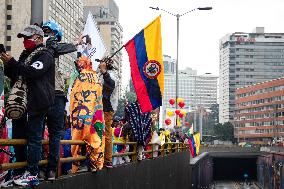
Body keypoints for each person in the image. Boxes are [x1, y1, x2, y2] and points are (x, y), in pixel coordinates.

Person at [0, 25, 55, 186]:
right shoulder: (25, 55)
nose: (24, 41)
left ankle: (32, 173)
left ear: (38, 38)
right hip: (21, 103)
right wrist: (9, 64)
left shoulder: (45, 54)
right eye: (23, 38)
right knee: (18, 137)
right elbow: (18, 74)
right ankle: (18, 172)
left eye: (27, 38)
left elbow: (32, 72)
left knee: (34, 138)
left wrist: (14, 63)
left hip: (38, 102)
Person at [39, 21, 79, 180]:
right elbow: (57, 47)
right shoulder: (49, 44)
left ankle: (46, 169)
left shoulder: (41, 46)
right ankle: (48, 169)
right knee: (48, 134)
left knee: (44, 134)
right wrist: (75, 43)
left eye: (48, 32)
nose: (48, 36)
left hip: (49, 95)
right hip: (52, 95)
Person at [70, 56, 105, 172]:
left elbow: (74, 95)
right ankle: (93, 163)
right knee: (94, 138)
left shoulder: (79, 77)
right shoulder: (96, 77)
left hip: (82, 112)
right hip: (96, 113)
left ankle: (81, 164)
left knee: (81, 137)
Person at [98, 57, 118, 168]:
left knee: (106, 134)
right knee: (96, 132)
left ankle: (108, 160)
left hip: (107, 108)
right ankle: (97, 158)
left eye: (102, 63)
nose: (100, 65)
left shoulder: (112, 74)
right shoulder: (100, 74)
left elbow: (110, 85)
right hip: (98, 107)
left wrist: (104, 72)